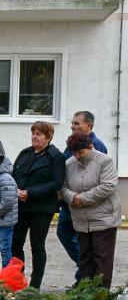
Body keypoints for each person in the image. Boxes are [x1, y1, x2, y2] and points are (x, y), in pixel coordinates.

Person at [59, 132, 121, 289]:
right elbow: (63, 188)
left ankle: (101, 297)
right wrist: (72, 198)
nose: (77, 156)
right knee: (85, 259)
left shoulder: (105, 161)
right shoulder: (69, 164)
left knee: (102, 259)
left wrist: (83, 198)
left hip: (103, 219)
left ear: (90, 147)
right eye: (74, 152)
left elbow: (108, 186)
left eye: (81, 152)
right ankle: (85, 294)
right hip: (81, 220)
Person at [10, 121, 66, 289]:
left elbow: (56, 183)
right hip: (21, 206)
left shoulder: (56, 156)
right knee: (15, 242)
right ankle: (17, 279)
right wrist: (15, 189)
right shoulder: (25, 153)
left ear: (48, 137)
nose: (34, 136)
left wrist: (30, 193)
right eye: (33, 133)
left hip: (42, 208)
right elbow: (14, 175)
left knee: (37, 245)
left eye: (39, 134)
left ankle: (35, 285)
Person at [56, 111, 108, 284]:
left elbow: (96, 179)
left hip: (85, 205)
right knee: (64, 234)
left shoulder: (96, 145)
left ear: (89, 126)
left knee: (86, 244)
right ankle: (85, 272)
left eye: (77, 123)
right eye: (72, 123)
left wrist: (81, 198)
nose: (72, 126)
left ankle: (86, 278)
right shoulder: (70, 144)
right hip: (68, 202)